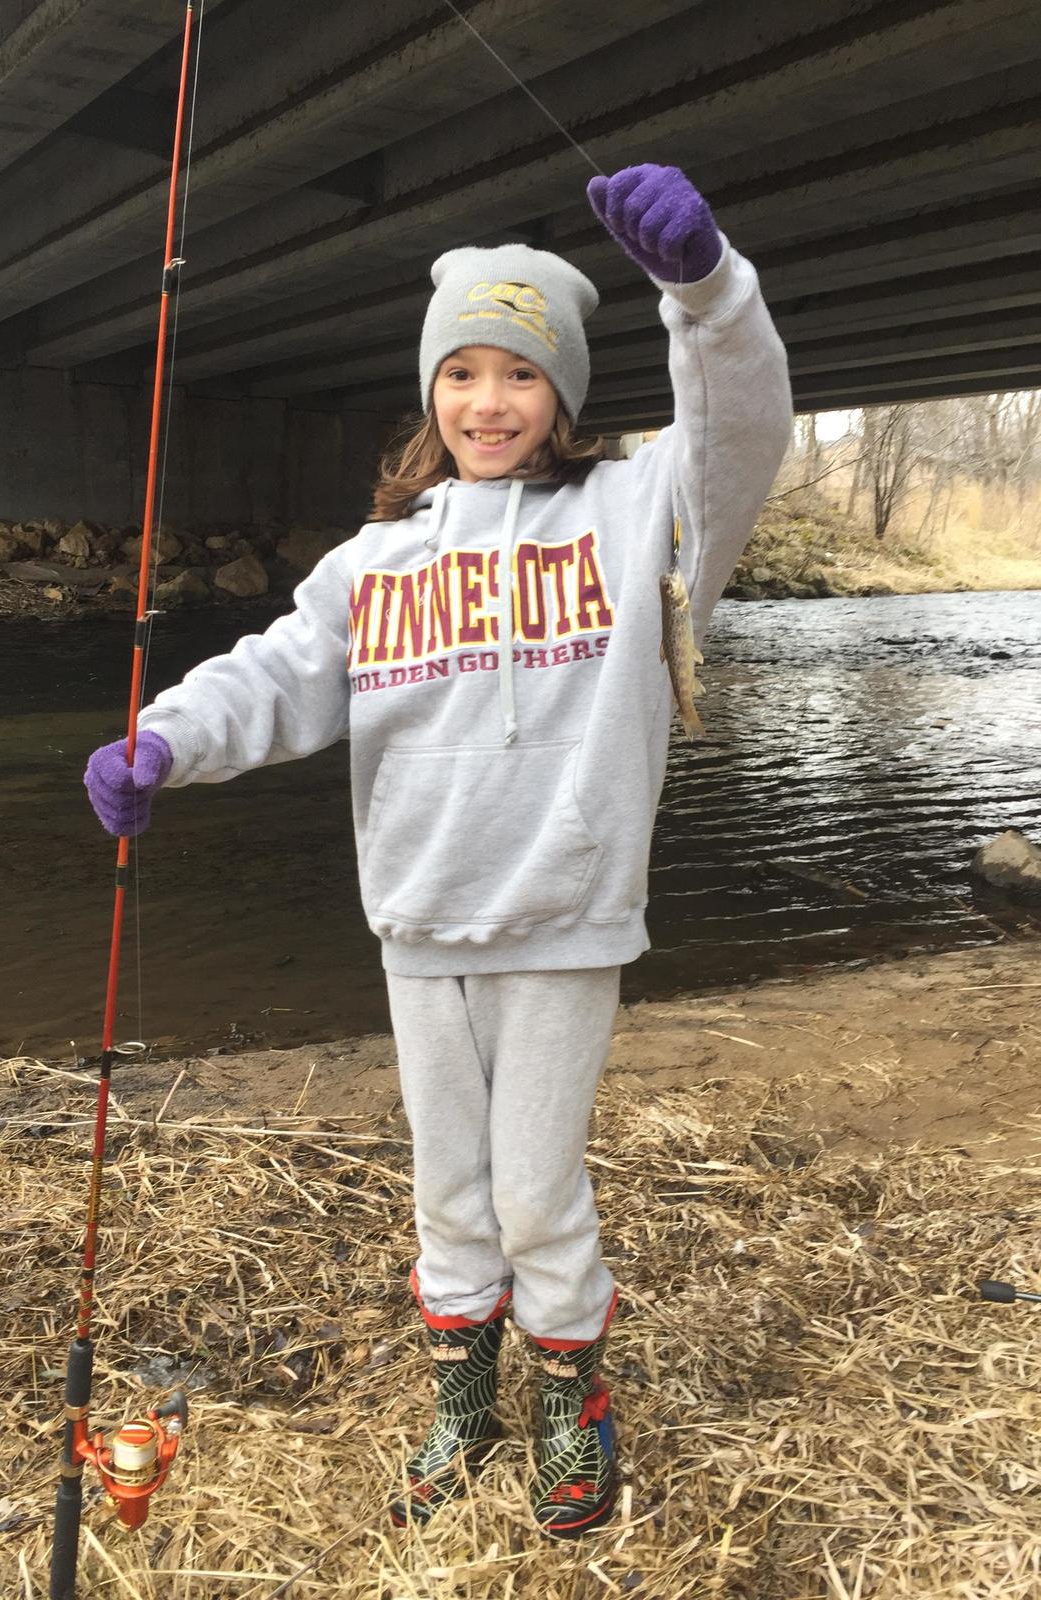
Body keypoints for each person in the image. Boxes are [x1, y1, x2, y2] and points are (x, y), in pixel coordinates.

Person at [85, 164, 792, 1538]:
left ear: (563, 396)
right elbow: (279, 674)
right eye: (460, 372)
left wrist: (708, 291)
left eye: (518, 374)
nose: (487, 401)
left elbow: (741, 429)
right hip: (418, 917)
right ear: (431, 395)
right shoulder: (377, 558)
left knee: (536, 1192)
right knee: (448, 1189)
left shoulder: (641, 518)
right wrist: (164, 740)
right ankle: (461, 1395)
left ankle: (572, 1407)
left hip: (563, 919)